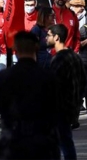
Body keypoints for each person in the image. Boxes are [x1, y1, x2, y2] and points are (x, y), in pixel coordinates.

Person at [0, 31, 60, 159]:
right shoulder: (47, 77)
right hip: (43, 140)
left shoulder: (5, 77)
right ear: (36, 47)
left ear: (15, 48)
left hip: (13, 140)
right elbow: (57, 107)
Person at [47, 24, 86, 160]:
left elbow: (53, 86)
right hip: (71, 107)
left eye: (49, 35)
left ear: (56, 37)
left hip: (60, 108)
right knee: (65, 141)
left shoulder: (59, 59)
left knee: (60, 143)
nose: (46, 38)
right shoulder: (75, 57)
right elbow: (84, 82)